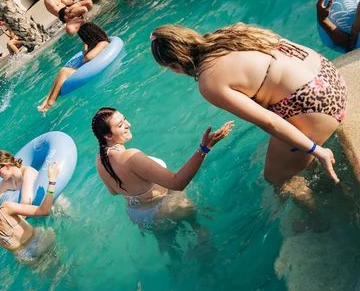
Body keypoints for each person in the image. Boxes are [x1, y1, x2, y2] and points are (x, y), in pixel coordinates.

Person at [150, 23, 347, 202]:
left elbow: (268, 121)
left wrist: (316, 150)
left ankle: (321, 226)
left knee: (277, 179)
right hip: (330, 76)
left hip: (316, 105)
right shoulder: (229, 33)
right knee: (284, 153)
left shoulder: (208, 81)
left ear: (175, 66)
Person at [92, 106, 233, 229]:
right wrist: (205, 147)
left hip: (138, 216)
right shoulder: (130, 156)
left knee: (169, 250)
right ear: (108, 136)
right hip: (167, 210)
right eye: (120, 124)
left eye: (125, 119)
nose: (128, 124)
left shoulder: (100, 159)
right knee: (201, 232)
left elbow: (114, 192)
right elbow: (178, 183)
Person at [37, 21, 110, 111]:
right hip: (86, 69)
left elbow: (87, 58)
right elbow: (87, 50)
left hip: (89, 71)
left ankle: (50, 103)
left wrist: (86, 52)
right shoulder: (95, 44)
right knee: (62, 70)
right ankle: (47, 98)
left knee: (64, 71)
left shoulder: (102, 43)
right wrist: (86, 48)